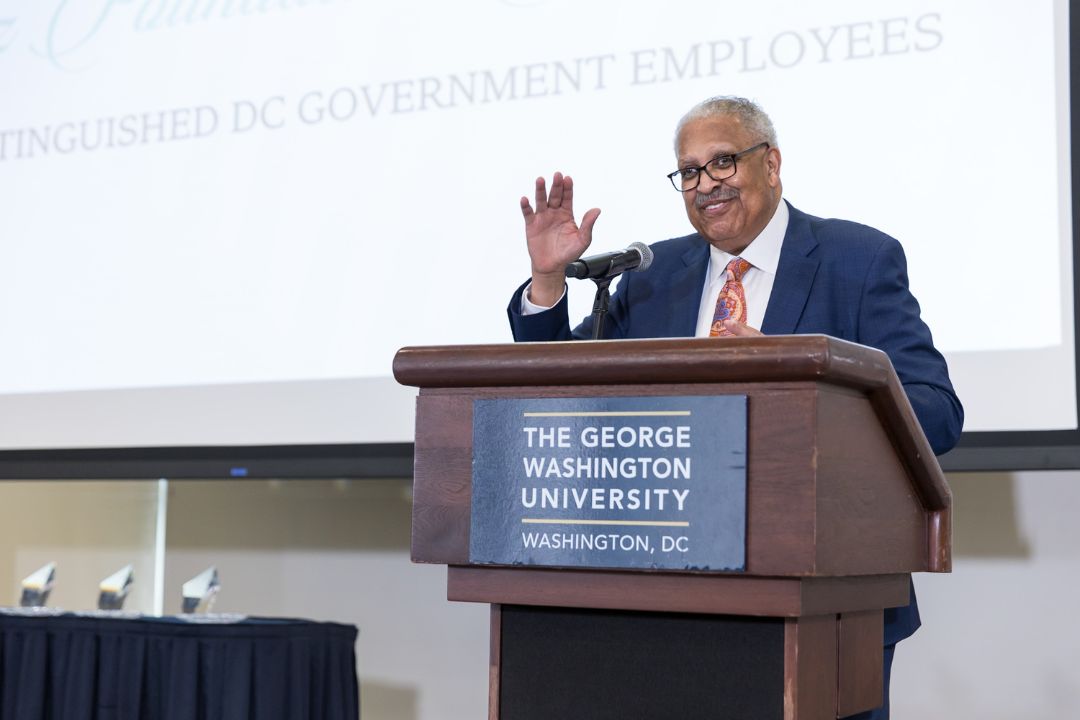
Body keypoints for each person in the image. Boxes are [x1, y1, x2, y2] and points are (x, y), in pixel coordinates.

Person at [506, 95, 963, 719]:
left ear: (771, 163)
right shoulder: (651, 272)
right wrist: (548, 284)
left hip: (821, 598)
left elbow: (936, 413)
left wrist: (797, 376)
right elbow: (560, 392)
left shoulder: (856, 260)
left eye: (723, 162)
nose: (705, 184)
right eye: (689, 171)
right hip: (663, 603)